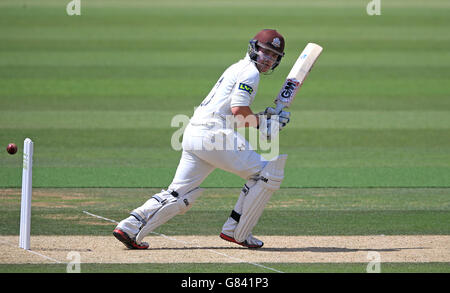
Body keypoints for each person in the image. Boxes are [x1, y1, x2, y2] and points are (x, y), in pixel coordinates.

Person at [113, 29, 291, 249]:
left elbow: (229, 113)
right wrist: (264, 124)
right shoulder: (250, 73)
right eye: (266, 52)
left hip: (195, 133)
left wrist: (264, 118)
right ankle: (236, 230)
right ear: (254, 48)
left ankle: (129, 226)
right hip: (213, 136)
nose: (268, 59)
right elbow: (238, 111)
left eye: (274, 56)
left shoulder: (238, 67)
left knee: (177, 192)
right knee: (266, 174)